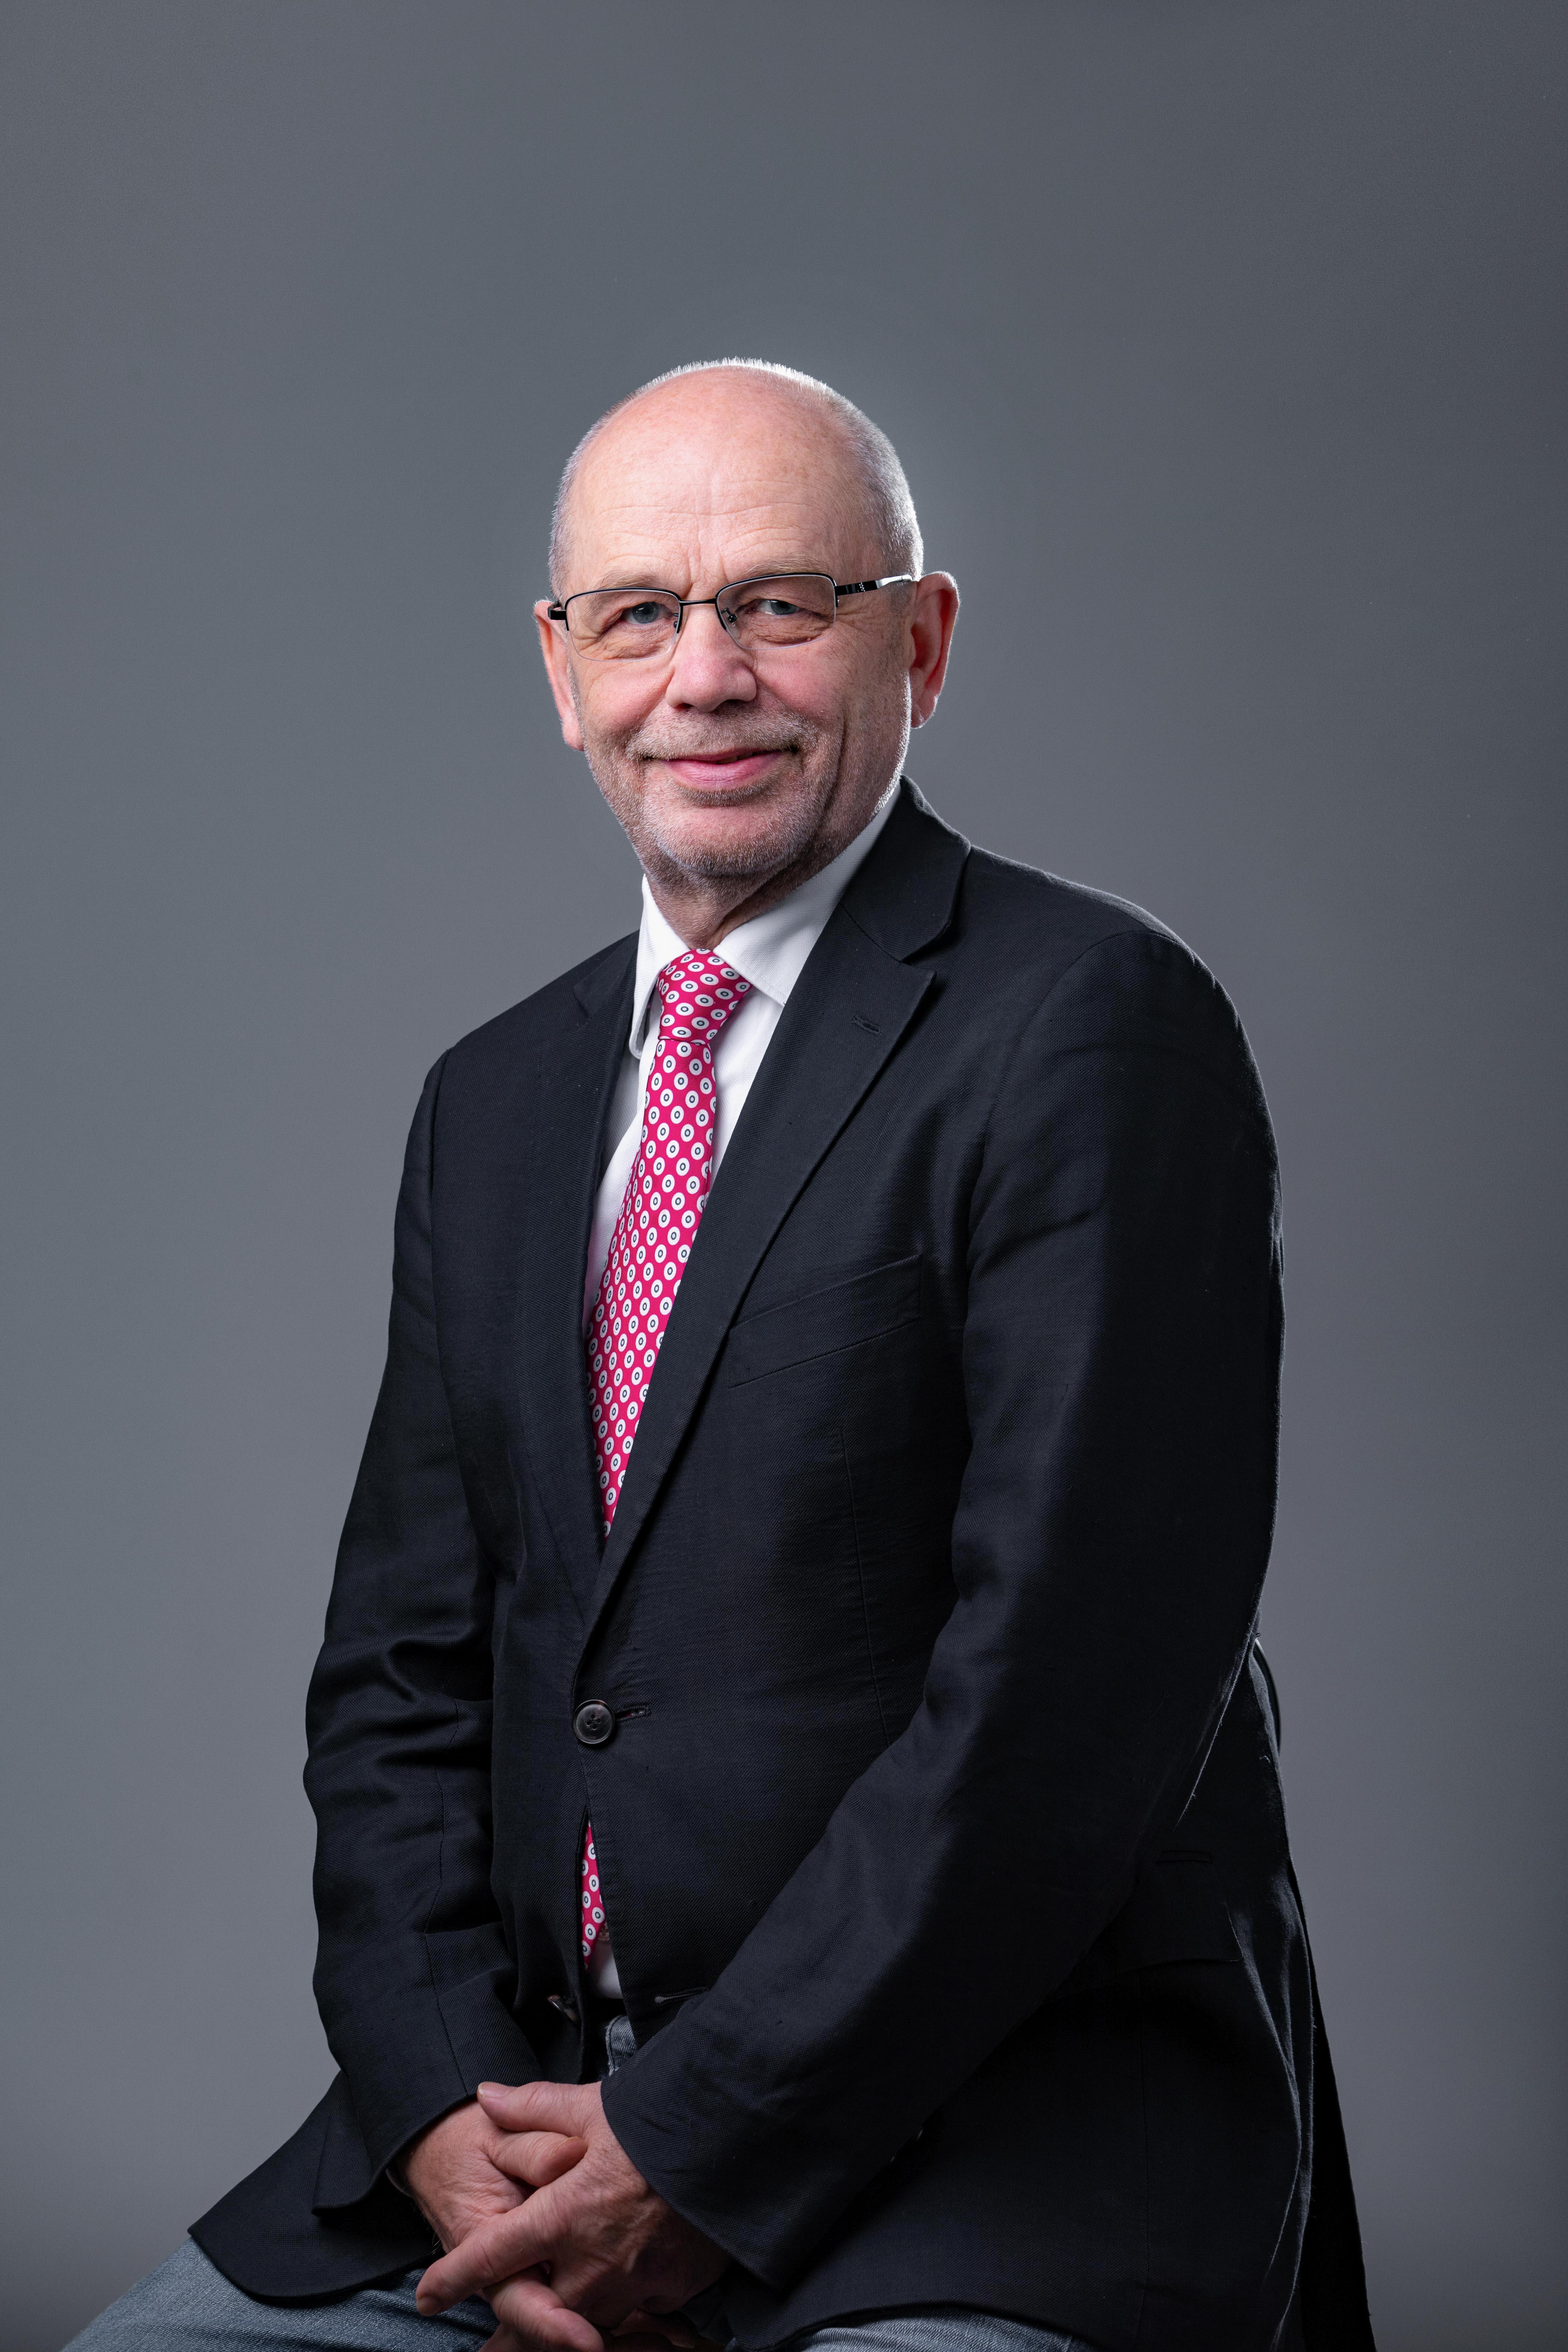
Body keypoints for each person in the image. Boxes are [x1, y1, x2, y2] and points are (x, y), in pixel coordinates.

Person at [71, 361, 1376, 2352]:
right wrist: (434, 2103)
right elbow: (402, 1678)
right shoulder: (493, 1103)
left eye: (779, 603)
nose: (706, 678)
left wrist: (694, 2149)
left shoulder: (1096, 1030)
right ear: (560, 665)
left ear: (921, 641)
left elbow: (1065, 1712)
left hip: (982, 2156)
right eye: (639, 615)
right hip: (518, 2133)